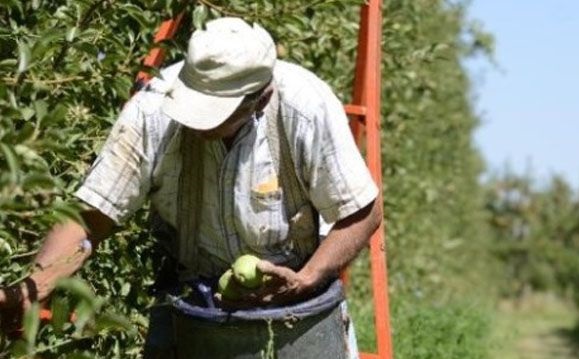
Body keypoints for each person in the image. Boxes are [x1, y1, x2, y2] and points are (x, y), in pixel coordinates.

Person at [0, 17, 381, 358]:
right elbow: (91, 218)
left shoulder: (304, 108)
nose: (199, 124)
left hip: (296, 305)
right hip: (190, 300)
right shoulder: (153, 110)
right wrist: (36, 286)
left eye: (214, 114)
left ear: (259, 99)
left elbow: (362, 212)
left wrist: (306, 279)